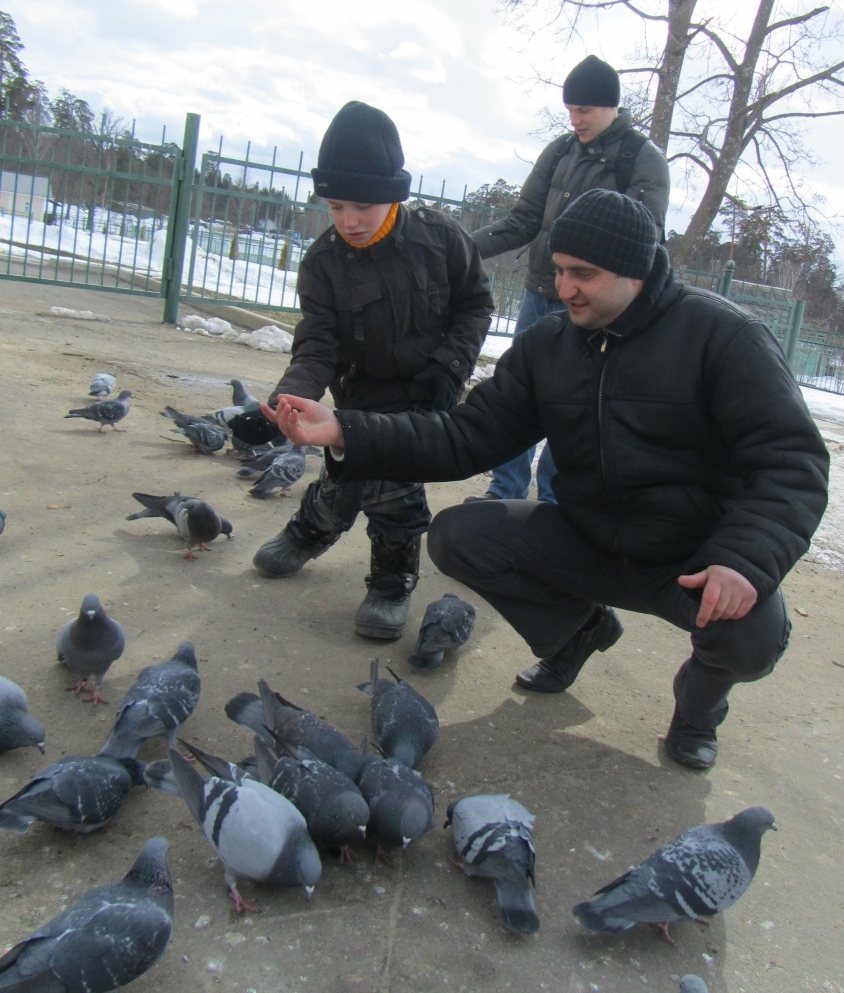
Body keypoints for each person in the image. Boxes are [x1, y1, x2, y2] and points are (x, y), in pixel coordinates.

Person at [261, 189, 829, 772]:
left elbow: (792, 463)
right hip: (589, 540)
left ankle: (697, 711)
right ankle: (577, 632)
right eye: (558, 271)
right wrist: (346, 429)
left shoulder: (724, 337)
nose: (563, 289)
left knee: (753, 635)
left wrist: (742, 559)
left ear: (635, 271)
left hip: (688, 559)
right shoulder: (549, 345)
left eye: (583, 274)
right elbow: (465, 437)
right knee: (459, 536)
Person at [231, 100, 494, 642]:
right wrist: (287, 400)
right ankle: (311, 530)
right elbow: (316, 345)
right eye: (335, 206)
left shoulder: (442, 238)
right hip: (360, 397)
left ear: (393, 196)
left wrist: (450, 366)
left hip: (427, 394)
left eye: (362, 205)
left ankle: (392, 583)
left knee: (396, 493)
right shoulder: (323, 263)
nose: (349, 220)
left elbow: (475, 305)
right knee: (344, 477)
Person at [466, 54, 670, 504]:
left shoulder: (643, 159)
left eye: (584, 110)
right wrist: (460, 248)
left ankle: (555, 506)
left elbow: (644, 243)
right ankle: (504, 493)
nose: (575, 119)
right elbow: (523, 220)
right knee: (518, 394)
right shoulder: (560, 150)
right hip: (539, 293)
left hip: (593, 307)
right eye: (570, 110)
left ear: (611, 106)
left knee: (572, 405)